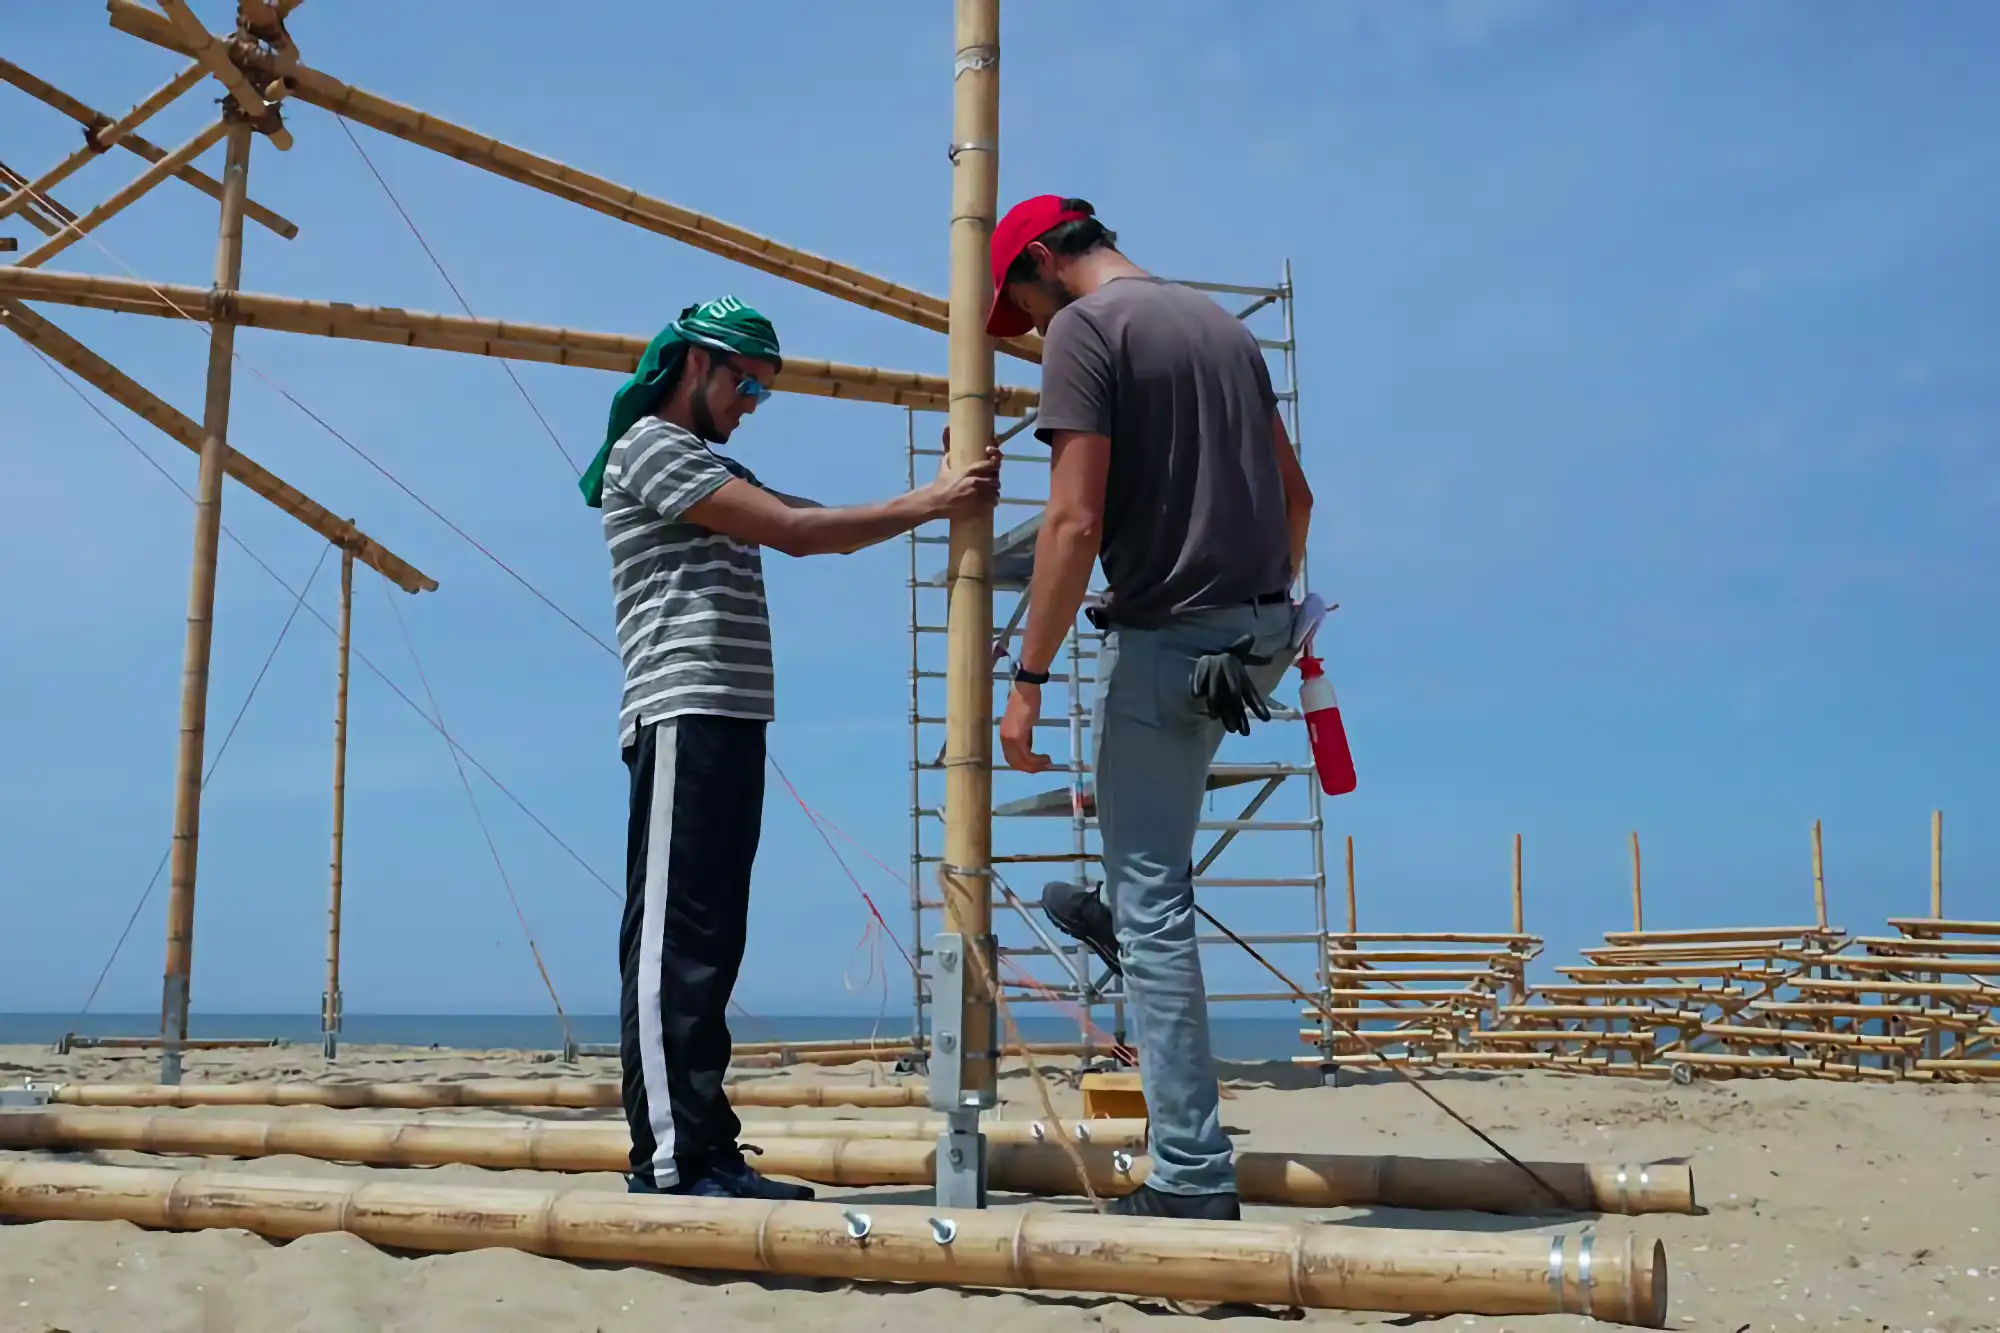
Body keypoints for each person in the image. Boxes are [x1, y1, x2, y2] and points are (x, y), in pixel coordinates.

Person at [582, 295, 1001, 1198]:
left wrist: (928, 502)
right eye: (746, 385)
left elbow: (812, 519)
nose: (751, 405)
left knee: (715, 938)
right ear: (696, 366)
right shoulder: (649, 449)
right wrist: (931, 500)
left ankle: (707, 1141)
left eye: (763, 393)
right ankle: (670, 1156)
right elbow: (797, 534)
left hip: (732, 714)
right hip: (682, 709)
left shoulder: (712, 463)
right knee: (673, 939)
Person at [989, 197, 1316, 1220]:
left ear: (1042, 260)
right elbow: (1294, 499)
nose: (1033, 330)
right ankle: (1117, 911)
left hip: (1167, 639)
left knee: (1154, 906)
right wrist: (1248, 619)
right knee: (1148, 873)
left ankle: (1187, 1175)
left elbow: (1074, 517)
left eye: (1022, 307)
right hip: (1254, 634)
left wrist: (1027, 675)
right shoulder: (1223, 328)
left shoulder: (1088, 331)